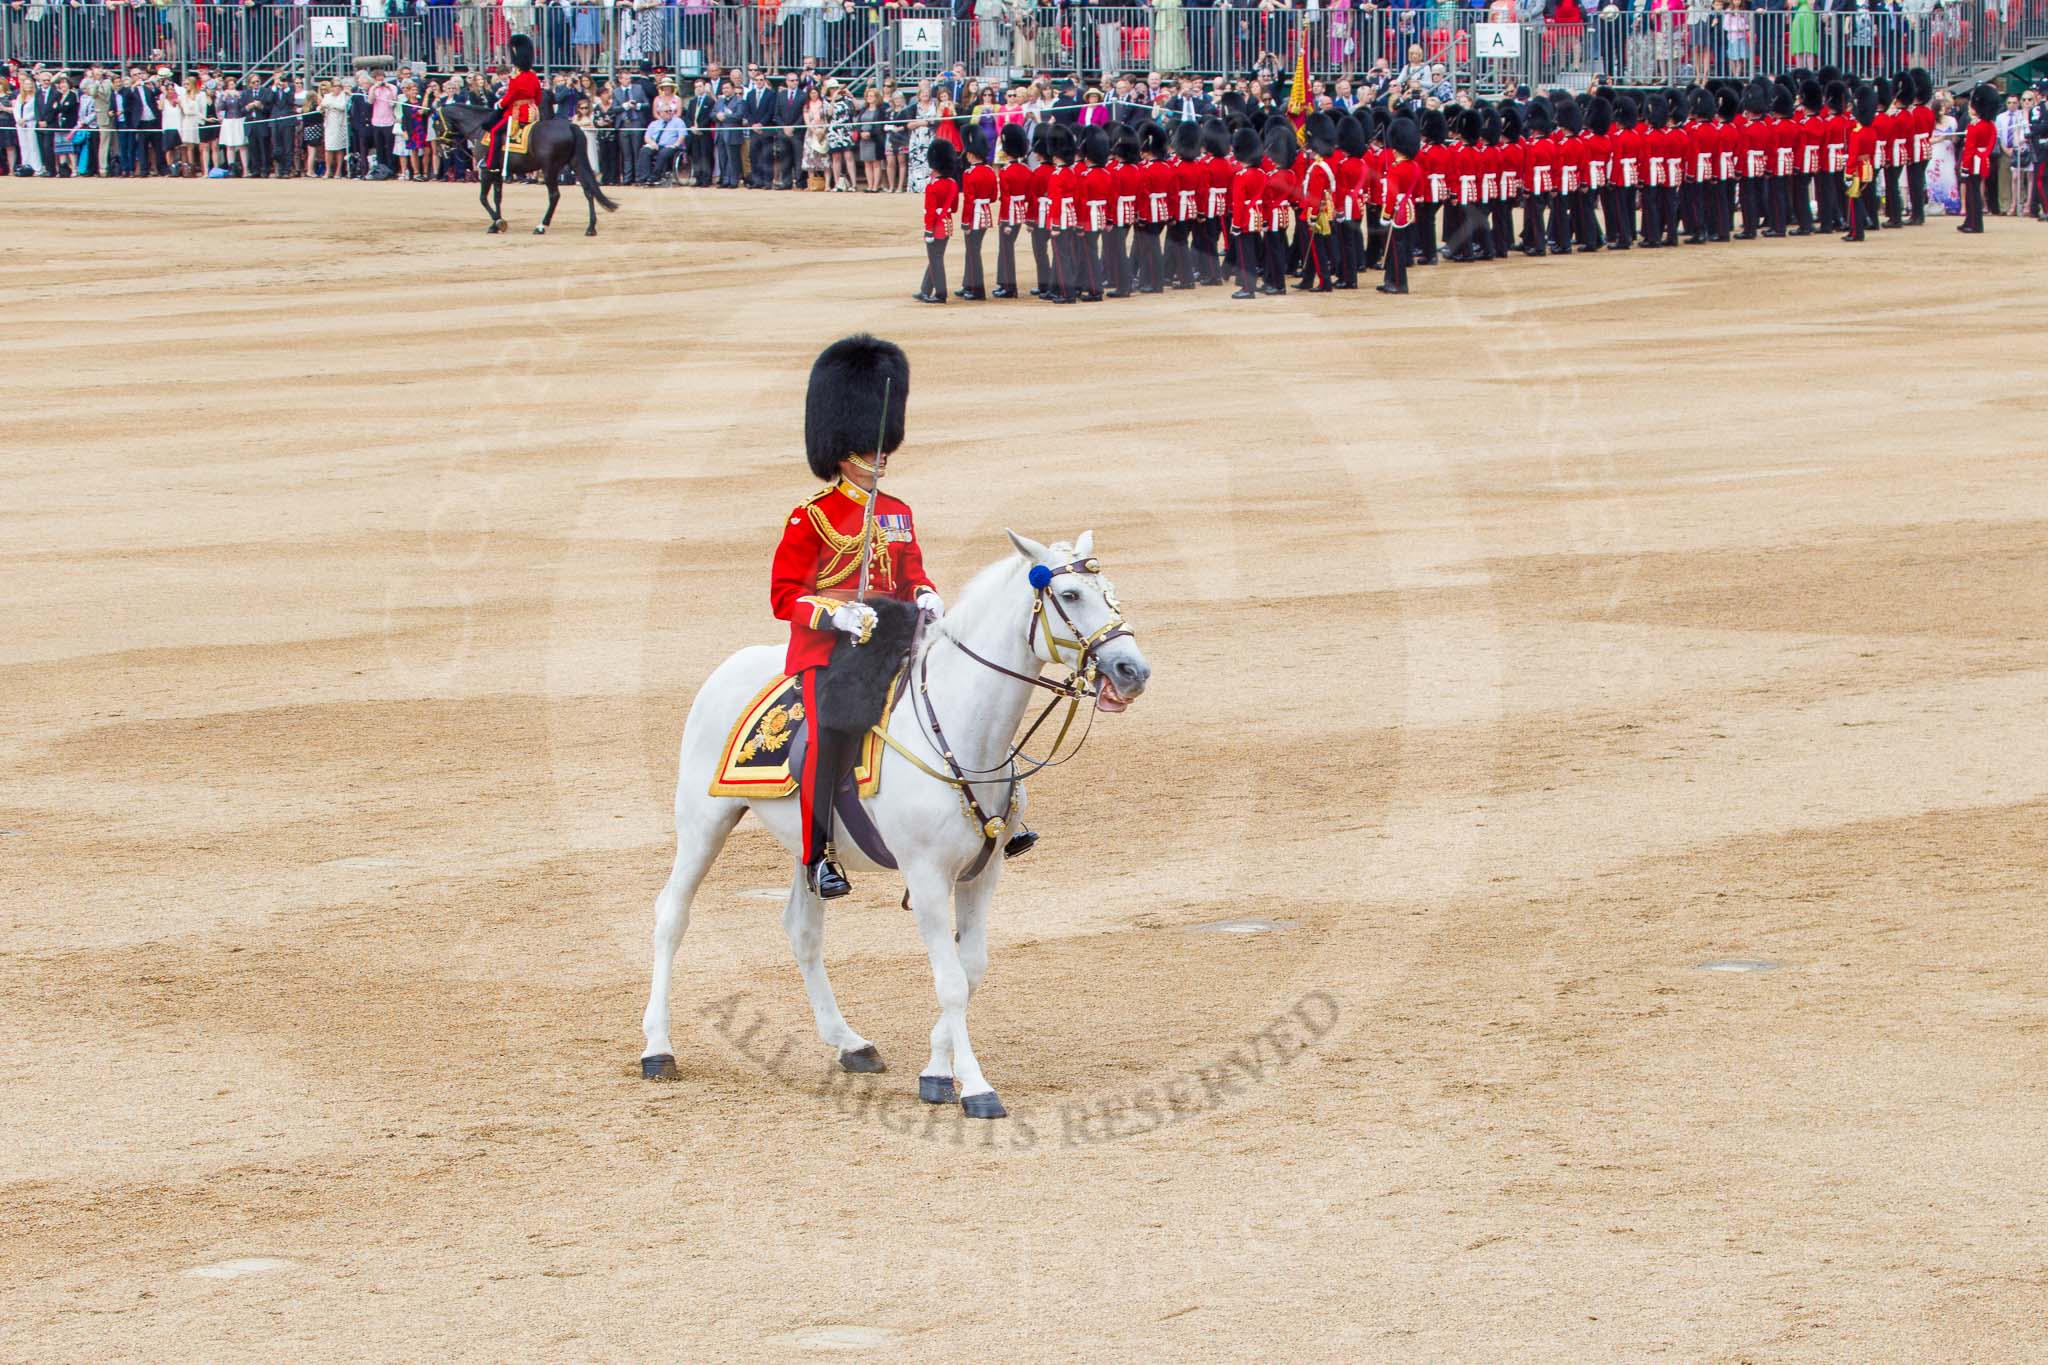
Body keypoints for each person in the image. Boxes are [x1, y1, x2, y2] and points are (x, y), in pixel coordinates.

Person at [770, 337, 941, 900]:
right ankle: (819, 854)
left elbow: (911, 571)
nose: (882, 454)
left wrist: (928, 595)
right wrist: (836, 615)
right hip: (831, 654)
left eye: (884, 444)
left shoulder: (897, 511)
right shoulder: (811, 517)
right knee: (829, 736)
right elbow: (784, 596)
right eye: (871, 445)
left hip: (894, 641)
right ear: (843, 449)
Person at [487, 32, 545, 175]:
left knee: (494, 131)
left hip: (517, 114)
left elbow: (510, 97)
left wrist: (500, 105)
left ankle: (492, 164)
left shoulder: (516, 77)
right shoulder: (533, 76)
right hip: (533, 112)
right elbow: (538, 96)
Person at [916, 138, 959, 302]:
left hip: (936, 227)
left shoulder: (933, 186)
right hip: (947, 225)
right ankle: (925, 290)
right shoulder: (953, 184)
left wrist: (928, 230)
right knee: (935, 257)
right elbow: (954, 208)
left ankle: (941, 293)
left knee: (936, 259)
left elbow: (930, 212)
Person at [957, 130, 996, 298]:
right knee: (973, 250)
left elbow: (968, 200)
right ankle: (968, 284)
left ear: (971, 155)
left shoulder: (969, 173)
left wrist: (965, 221)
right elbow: (994, 197)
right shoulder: (990, 171)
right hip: (986, 214)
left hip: (974, 216)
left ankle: (977, 289)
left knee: (972, 252)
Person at [1958, 83, 1997, 233]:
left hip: (1973, 162)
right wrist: (1984, 155)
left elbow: (1969, 149)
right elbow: (1991, 143)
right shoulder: (1989, 125)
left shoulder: (1975, 126)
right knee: (1974, 192)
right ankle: (1970, 220)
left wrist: (1965, 167)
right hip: (1982, 161)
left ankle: (1974, 224)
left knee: (1972, 194)